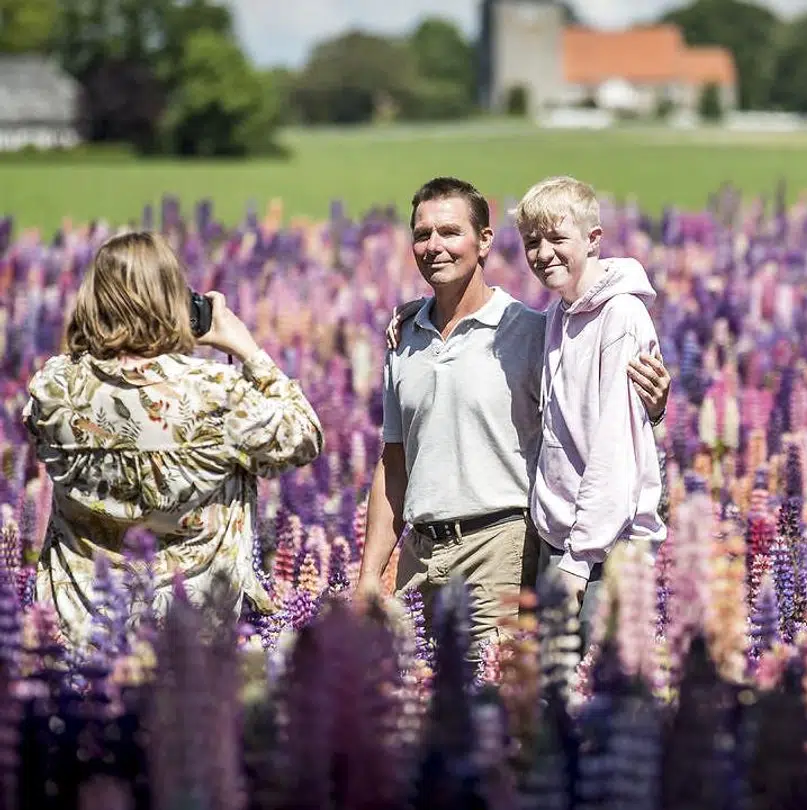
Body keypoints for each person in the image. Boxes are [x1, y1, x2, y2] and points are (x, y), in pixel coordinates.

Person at [358, 176, 669, 661]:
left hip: (505, 548)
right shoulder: (404, 340)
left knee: (501, 705)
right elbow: (393, 460)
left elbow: (603, 424)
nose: (434, 246)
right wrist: (369, 575)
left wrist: (651, 407)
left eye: (450, 232)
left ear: (483, 241)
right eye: (423, 234)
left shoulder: (530, 329)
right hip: (422, 557)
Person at [22, 231, 324, 649]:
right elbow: (304, 434)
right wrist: (248, 350)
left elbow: (53, 402)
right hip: (192, 633)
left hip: (78, 627)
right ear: (173, 301)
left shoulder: (54, 388)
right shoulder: (214, 391)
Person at [513, 175, 667, 641]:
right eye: (532, 242)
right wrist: (418, 314)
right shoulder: (560, 313)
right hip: (562, 537)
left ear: (593, 239)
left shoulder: (620, 316)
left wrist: (578, 564)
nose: (544, 254)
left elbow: (615, 448)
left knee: (590, 693)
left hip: (603, 550)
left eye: (558, 239)